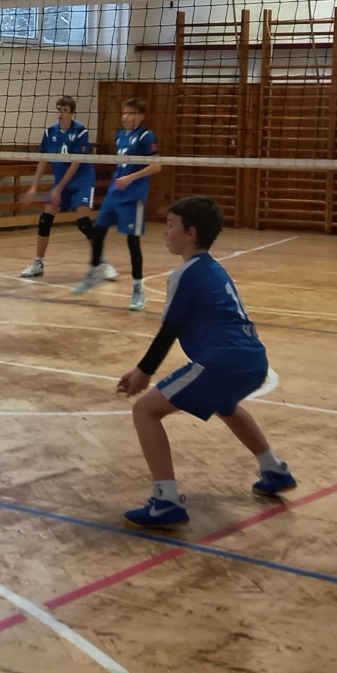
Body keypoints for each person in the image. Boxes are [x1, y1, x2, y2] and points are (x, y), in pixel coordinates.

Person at [115, 196, 295, 528]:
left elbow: (169, 330)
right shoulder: (214, 268)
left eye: (171, 226)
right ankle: (274, 470)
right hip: (254, 359)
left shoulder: (186, 274)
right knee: (227, 406)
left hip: (223, 361)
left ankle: (166, 501)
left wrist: (143, 371)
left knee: (145, 411)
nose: (164, 232)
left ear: (191, 233)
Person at [73, 98, 159, 312]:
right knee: (98, 231)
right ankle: (94, 272)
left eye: (131, 113)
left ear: (141, 116)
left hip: (133, 195)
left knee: (132, 241)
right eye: (124, 113)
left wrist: (131, 178)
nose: (126, 117)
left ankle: (138, 289)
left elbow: (156, 165)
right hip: (115, 192)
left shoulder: (146, 136)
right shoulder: (120, 135)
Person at [22, 96, 96, 280]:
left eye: (64, 110)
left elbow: (76, 163)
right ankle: (38, 263)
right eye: (59, 110)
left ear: (72, 113)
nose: (60, 114)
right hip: (61, 181)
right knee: (45, 220)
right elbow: (43, 160)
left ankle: (100, 261)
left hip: (82, 180)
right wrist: (33, 186)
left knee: (84, 223)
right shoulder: (49, 132)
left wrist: (59, 188)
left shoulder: (80, 132)